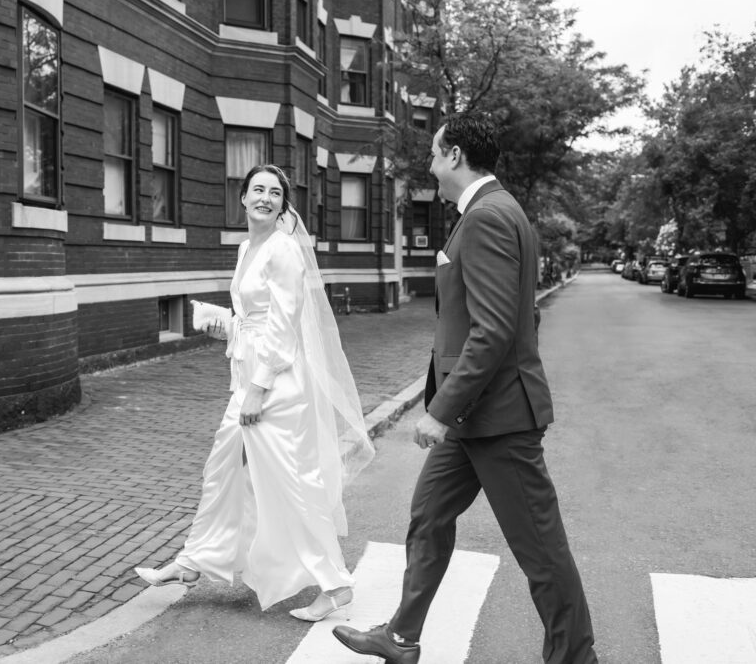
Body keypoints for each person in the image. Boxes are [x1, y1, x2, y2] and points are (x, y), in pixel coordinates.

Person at [333, 112, 598, 664]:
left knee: (541, 552)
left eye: (433, 153)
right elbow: (523, 318)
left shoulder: (488, 217)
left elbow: (496, 327)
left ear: (455, 156)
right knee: (428, 514)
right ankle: (401, 637)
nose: (429, 165)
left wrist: (441, 408)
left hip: (498, 417)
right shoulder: (493, 211)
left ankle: (576, 658)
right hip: (475, 414)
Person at [135, 164, 375, 621]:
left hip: (277, 387)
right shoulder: (248, 246)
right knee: (222, 469)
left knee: (292, 483)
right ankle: (194, 561)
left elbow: (284, 327)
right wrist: (223, 322)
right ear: (242, 198)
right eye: (257, 190)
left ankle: (335, 583)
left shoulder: (284, 249)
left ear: (284, 203)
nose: (265, 197)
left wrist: (258, 391)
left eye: (275, 192)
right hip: (248, 379)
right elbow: (255, 317)